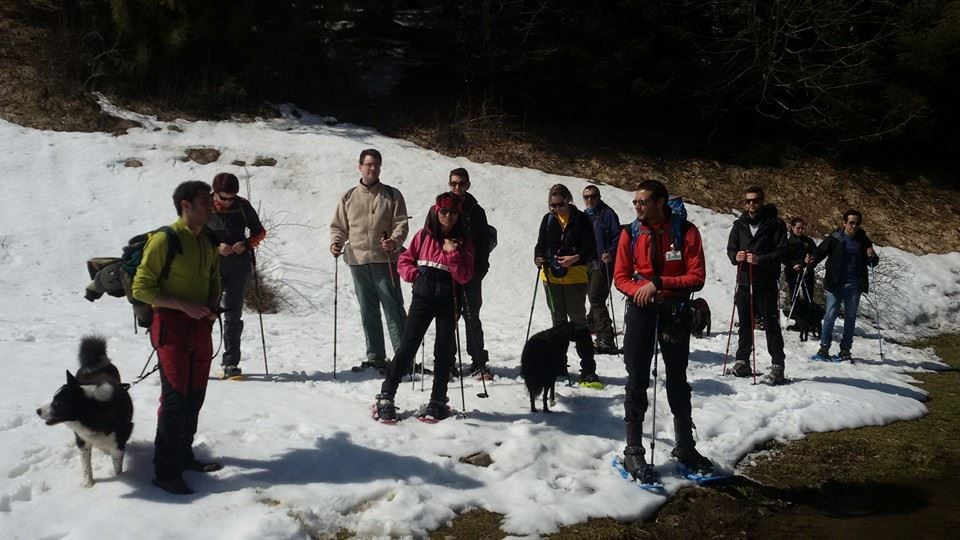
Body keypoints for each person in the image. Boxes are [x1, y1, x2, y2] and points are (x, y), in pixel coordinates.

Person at [613, 179, 713, 479]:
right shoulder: (629, 232)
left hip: (675, 311)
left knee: (677, 379)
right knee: (637, 377)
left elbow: (697, 277)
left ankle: (685, 444)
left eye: (642, 202)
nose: (637, 207)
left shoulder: (686, 231)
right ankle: (633, 450)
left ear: (661, 202)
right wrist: (639, 290)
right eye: (636, 203)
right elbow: (619, 277)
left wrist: (659, 283)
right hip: (641, 310)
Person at [132, 180, 223, 495]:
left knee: (195, 396)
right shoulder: (164, 240)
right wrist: (183, 305)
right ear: (185, 205)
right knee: (175, 400)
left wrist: (212, 305)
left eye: (210, 201)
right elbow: (140, 287)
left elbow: (214, 276)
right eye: (205, 202)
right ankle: (165, 471)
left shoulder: (207, 239)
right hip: (171, 326)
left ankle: (184, 456)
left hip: (200, 327)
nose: (211, 206)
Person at [373, 193, 475, 422]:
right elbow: (405, 260)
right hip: (423, 297)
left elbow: (465, 276)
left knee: (444, 351)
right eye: (444, 211)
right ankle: (386, 395)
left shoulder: (464, 241)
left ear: (459, 215)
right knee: (408, 346)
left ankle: (438, 399)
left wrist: (453, 254)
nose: (448, 216)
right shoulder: (423, 236)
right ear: (436, 211)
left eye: (453, 212)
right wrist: (415, 275)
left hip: (450, 300)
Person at [330, 149, 408, 372]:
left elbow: (401, 224)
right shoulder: (349, 196)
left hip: (385, 260)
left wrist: (394, 241)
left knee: (393, 309)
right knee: (368, 310)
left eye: (376, 165)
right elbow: (338, 226)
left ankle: (404, 357)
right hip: (357, 260)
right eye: (368, 164)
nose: (372, 168)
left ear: (380, 167)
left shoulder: (392, 195)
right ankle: (376, 358)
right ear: (360, 166)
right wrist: (336, 242)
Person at [533, 184, 599, 386]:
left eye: (560, 204)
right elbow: (540, 245)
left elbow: (591, 247)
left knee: (578, 322)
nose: (556, 209)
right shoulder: (548, 220)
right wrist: (538, 258)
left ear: (569, 200)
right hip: (551, 278)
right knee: (558, 322)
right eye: (552, 205)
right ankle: (559, 364)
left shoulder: (581, 219)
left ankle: (588, 368)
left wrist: (575, 258)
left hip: (575, 277)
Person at [725, 186, 788, 385]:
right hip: (744, 281)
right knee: (745, 323)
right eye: (748, 201)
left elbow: (782, 252)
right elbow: (731, 249)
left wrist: (760, 259)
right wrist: (736, 256)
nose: (751, 204)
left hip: (766, 281)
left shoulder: (775, 224)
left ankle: (778, 365)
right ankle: (742, 360)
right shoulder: (739, 224)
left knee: (770, 324)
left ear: (762, 201)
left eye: (755, 201)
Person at [207, 172, 266, 379]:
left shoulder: (242, 205)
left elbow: (259, 231)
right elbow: (191, 235)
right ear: (215, 192)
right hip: (210, 268)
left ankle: (231, 363)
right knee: (206, 313)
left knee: (233, 314)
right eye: (224, 197)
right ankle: (200, 359)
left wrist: (247, 244)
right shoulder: (204, 206)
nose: (228, 202)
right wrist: (215, 247)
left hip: (238, 266)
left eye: (231, 197)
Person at [810, 209, 880, 361]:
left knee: (850, 318)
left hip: (854, 285)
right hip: (834, 284)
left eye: (857, 223)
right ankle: (824, 348)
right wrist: (810, 261)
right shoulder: (835, 238)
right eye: (851, 223)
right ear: (844, 223)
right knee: (830, 316)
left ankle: (845, 350)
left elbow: (873, 262)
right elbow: (820, 252)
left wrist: (872, 257)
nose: (854, 226)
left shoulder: (864, 240)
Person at [448, 167, 493, 378]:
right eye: (454, 183)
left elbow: (484, 243)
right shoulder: (441, 208)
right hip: (447, 272)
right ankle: (447, 360)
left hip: (471, 273)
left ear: (468, 185)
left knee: (472, 316)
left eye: (461, 183)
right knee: (448, 317)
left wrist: (481, 269)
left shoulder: (477, 211)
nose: (457, 187)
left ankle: (478, 360)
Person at [581, 185, 621, 355]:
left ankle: (606, 338)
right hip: (586, 262)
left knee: (596, 297)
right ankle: (593, 324)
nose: (590, 200)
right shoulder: (584, 216)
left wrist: (610, 253)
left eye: (593, 196)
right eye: (586, 197)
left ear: (599, 196)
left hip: (602, 262)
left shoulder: (607, 214)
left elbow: (617, 237)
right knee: (592, 295)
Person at [784, 217, 816, 313]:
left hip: (807, 271)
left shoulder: (808, 241)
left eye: (802, 228)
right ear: (792, 227)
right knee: (794, 295)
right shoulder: (788, 242)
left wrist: (811, 258)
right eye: (798, 228)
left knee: (808, 295)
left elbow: (815, 253)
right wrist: (793, 264)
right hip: (792, 271)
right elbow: (784, 257)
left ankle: (809, 319)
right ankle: (797, 318)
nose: (800, 230)